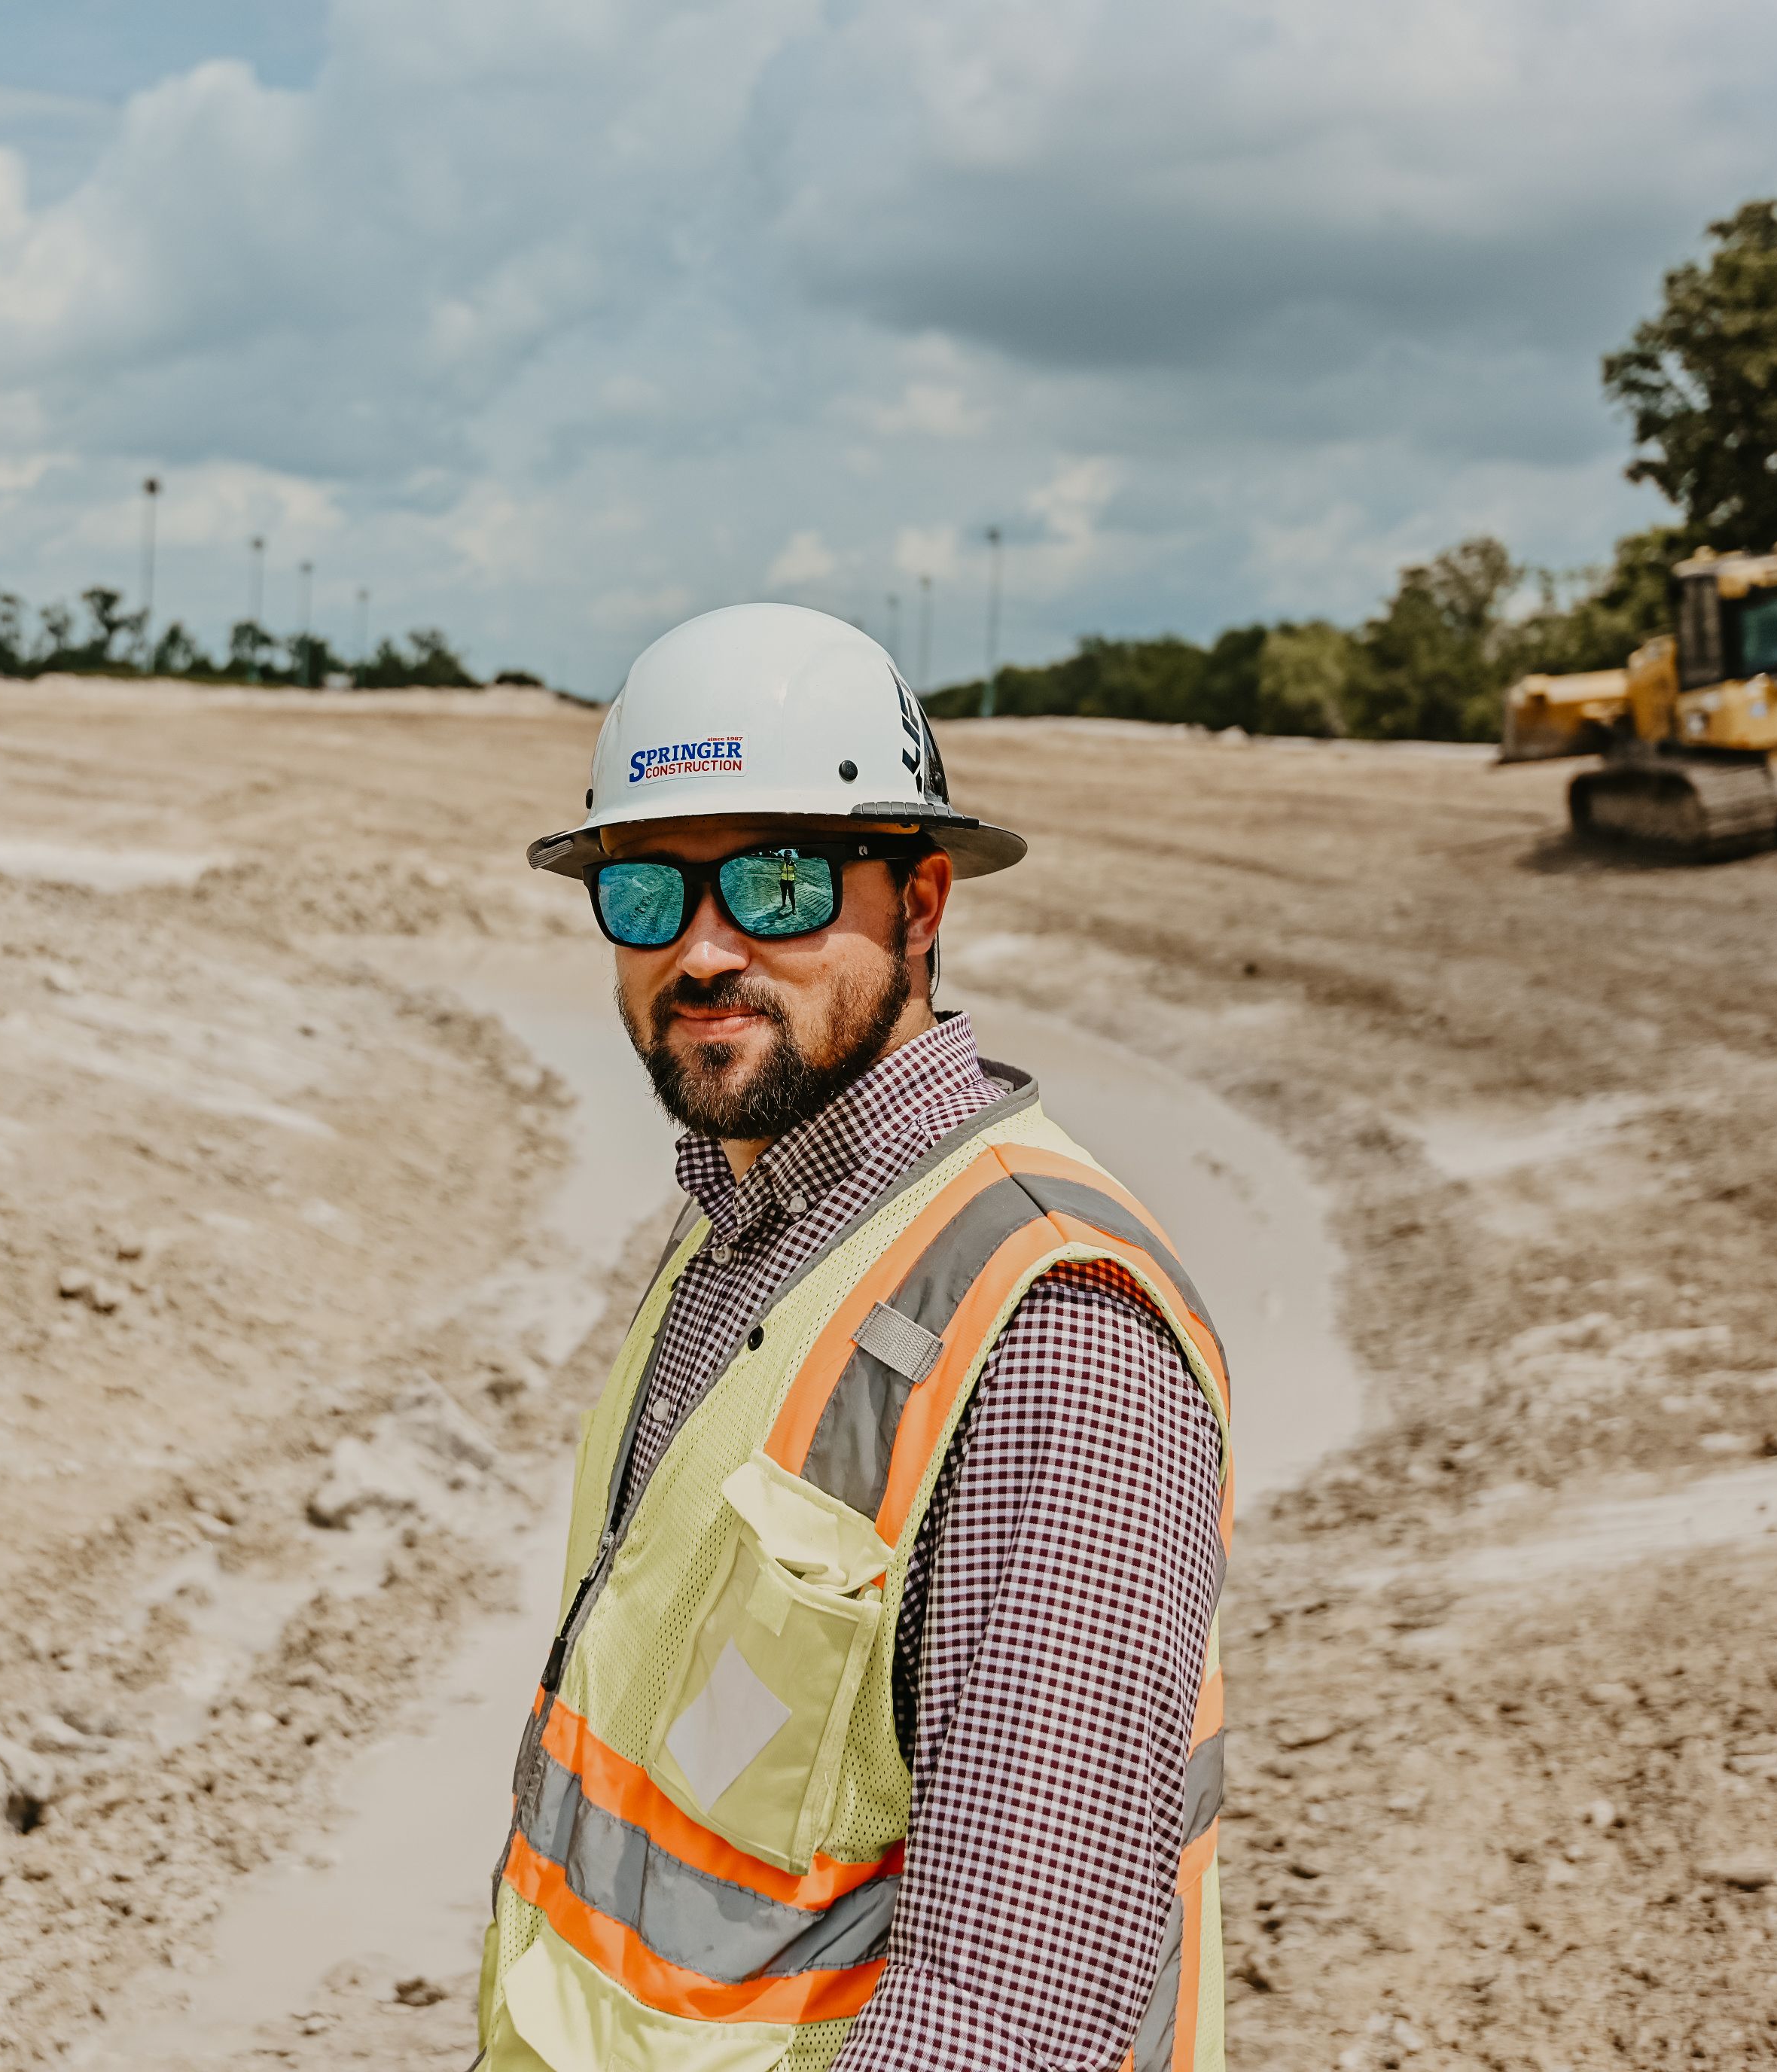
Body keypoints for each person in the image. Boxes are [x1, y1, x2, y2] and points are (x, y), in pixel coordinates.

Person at [474, 604, 1233, 2072]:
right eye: (645, 893)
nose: (701, 950)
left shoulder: (1051, 1328)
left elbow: (1012, 2006)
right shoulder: (736, 1225)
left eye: (775, 879)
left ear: (923, 900)